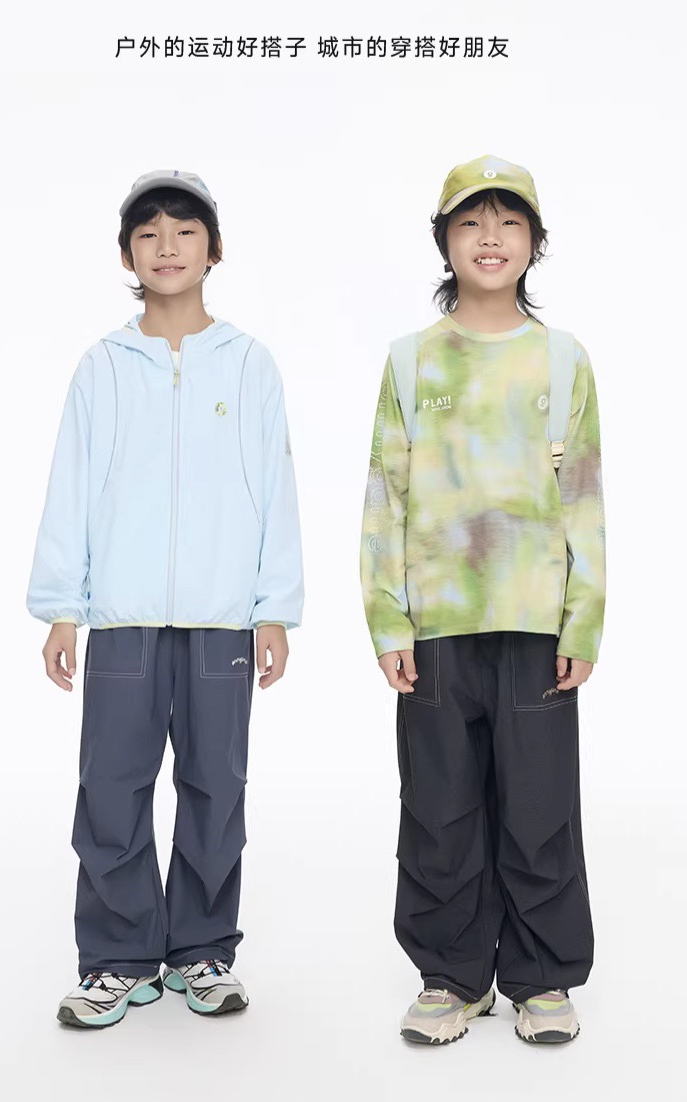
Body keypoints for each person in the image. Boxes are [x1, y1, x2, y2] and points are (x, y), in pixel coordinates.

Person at [26, 169, 304, 1029]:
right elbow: (71, 484)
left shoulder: (248, 363)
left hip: (224, 618)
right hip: (122, 617)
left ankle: (202, 952)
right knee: (111, 785)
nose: (167, 246)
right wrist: (62, 607)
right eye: (147, 233)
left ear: (214, 250)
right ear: (126, 256)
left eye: (185, 231)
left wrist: (274, 607)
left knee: (216, 786)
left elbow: (277, 488)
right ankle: (116, 958)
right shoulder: (103, 366)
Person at [359, 154, 605, 1046]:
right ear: (444, 241)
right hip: (436, 625)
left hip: (535, 623)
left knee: (539, 806)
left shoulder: (562, 359)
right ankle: (450, 976)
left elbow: (583, 497)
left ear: (535, 241)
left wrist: (582, 620)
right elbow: (385, 495)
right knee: (439, 806)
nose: (489, 238)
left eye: (508, 222)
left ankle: (540, 977)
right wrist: (386, 616)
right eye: (470, 222)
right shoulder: (409, 360)